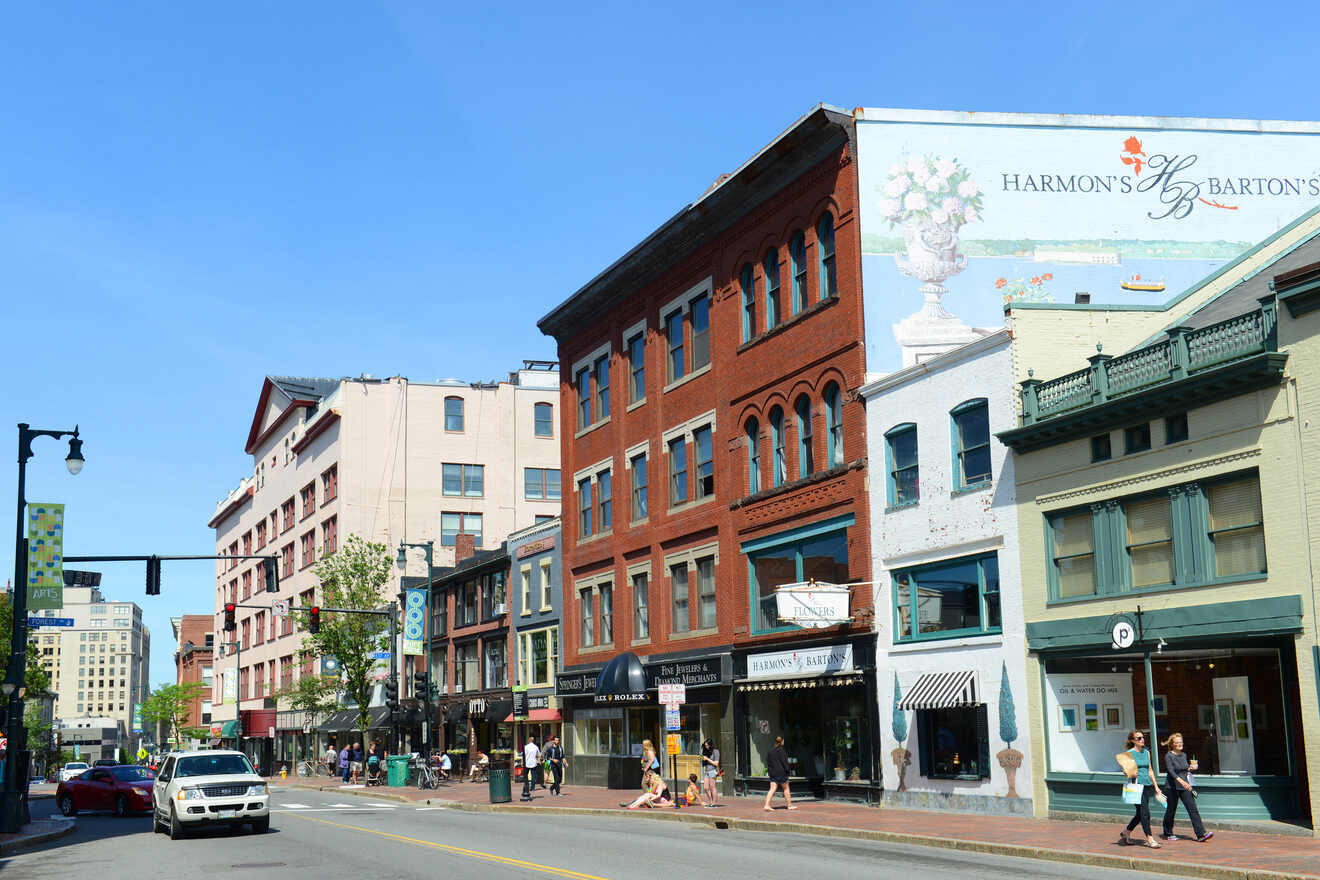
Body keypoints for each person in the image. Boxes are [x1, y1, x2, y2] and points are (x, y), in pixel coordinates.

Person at [1162, 732, 1212, 842]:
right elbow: (1171, 772)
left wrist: (1191, 768)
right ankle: (1167, 832)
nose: (1180, 744)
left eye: (1181, 742)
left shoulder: (1184, 755)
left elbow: (1183, 770)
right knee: (1171, 810)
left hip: (1184, 786)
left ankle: (1201, 834)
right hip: (1172, 787)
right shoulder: (1169, 756)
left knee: (1193, 809)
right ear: (1172, 744)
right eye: (1177, 742)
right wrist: (1182, 782)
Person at [1118, 730, 1164, 848]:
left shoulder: (1146, 752)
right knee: (1145, 813)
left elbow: (1150, 770)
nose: (1142, 739)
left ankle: (1126, 832)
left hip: (1147, 785)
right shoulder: (1129, 753)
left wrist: (1156, 786)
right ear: (1133, 741)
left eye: (1142, 737)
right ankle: (1150, 838)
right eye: (1139, 738)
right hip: (1136, 787)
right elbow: (1124, 770)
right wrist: (1130, 773)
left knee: (1140, 814)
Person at [763, 736, 797, 811]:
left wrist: (770, 772)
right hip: (782, 773)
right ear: (782, 741)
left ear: (775, 742)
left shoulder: (770, 751)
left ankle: (767, 805)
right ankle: (789, 805)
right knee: (786, 788)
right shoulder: (782, 750)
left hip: (773, 773)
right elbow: (785, 762)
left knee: (772, 789)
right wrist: (788, 771)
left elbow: (768, 763)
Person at [700, 738, 720, 806]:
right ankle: (711, 801)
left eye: (707, 745)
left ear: (710, 745)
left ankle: (714, 802)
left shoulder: (716, 752)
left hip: (712, 771)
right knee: (705, 787)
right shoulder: (706, 751)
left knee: (712, 787)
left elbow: (716, 763)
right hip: (707, 771)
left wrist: (707, 759)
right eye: (705, 745)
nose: (706, 747)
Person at [521, 735, 541, 801]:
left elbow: (524, 755)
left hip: (527, 763)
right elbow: (538, 755)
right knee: (533, 776)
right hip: (533, 763)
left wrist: (522, 762)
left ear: (529, 741)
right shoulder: (536, 747)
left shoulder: (526, 747)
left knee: (525, 775)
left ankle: (526, 785)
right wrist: (538, 760)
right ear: (533, 741)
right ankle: (532, 787)